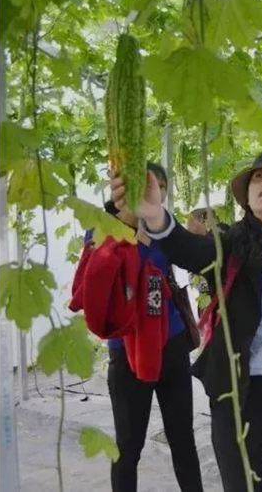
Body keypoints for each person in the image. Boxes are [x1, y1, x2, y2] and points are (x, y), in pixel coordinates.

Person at [110, 148, 262, 492]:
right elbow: (187, 249)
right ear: (247, 194)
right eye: (258, 177)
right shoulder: (230, 246)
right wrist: (155, 215)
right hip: (240, 395)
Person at [70, 163, 203, 492]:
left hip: (170, 342)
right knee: (128, 445)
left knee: (182, 439)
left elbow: (191, 257)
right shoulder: (102, 227)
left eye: (160, 186)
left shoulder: (165, 228)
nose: (155, 192)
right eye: (146, 185)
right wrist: (126, 230)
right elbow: (97, 277)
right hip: (127, 348)